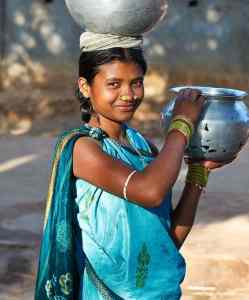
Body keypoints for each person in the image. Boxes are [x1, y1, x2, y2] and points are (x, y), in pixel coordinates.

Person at [35, 33, 232, 300]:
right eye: (114, 84)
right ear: (85, 86)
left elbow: (167, 241)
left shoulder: (143, 148)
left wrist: (200, 171)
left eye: (136, 83)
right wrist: (182, 124)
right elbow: (149, 191)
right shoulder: (84, 148)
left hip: (156, 292)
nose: (128, 95)